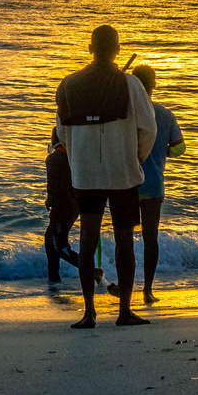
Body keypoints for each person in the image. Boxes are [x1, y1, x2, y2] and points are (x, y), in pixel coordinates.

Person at [55, 24, 157, 328]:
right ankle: (124, 311)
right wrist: (135, 157)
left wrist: (79, 160)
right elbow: (148, 129)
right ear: (117, 50)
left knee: (87, 240)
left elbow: (62, 132)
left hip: (85, 174)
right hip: (122, 171)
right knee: (124, 239)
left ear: (89, 48)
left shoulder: (68, 84)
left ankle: (89, 313)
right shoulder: (131, 85)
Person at [129, 64, 185, 306]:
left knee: (125, 238)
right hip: (153, 184)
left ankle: (125, 287)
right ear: (154, 85)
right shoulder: (165, 114)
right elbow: (180, 148)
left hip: (128, 184)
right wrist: (163, 152)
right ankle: (148, 289)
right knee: (150, 238)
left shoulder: (126, 113)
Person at [44, 129, 90, 284]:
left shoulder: (53, 158)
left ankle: (91, 271)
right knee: (50, 240)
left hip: (60, 208)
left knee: (60, 247)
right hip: (73, 207)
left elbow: (53, 181)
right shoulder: (75, 159)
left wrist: (49, 198)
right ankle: (54, 278)